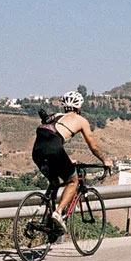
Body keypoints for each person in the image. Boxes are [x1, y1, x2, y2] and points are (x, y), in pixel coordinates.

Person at [31, 90, 112, 232]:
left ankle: (48, 218)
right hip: (53, 149)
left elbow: (51, 137)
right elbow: (93, 146)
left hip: (37, 150)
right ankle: (58, 213)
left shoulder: (56, 116)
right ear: (79, 107)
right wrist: (105, 160)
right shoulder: (81, 121)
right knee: (73, 181)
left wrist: (67, 158)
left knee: (55, 182)